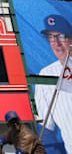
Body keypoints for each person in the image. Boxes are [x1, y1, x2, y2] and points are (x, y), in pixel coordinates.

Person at [35, 14, 72, 153]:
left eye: (62, 36)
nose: (57, 43)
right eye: (51, 37)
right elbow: (46, 130)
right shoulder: (45, 75)